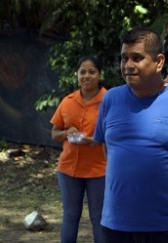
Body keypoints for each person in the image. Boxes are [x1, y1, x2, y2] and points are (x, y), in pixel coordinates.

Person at [93, 27, 168, 243]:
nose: (128, 65)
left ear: (159, 62)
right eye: (124, 58)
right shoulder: (111, 99)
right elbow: (108, 151)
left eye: (137, 58)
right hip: (116, 224)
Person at [50, 55, 107, 243]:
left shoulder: (109, 100)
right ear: (77, 75)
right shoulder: (68, 101)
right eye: (82, 72)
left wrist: (95, 139)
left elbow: (118, 133)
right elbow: (54, 133)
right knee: (71, 215)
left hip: (98, 170)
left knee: (99, 218)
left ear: (99, 74)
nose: (86, 76)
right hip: (68, 170)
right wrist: (66, 133)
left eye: (92, 71)